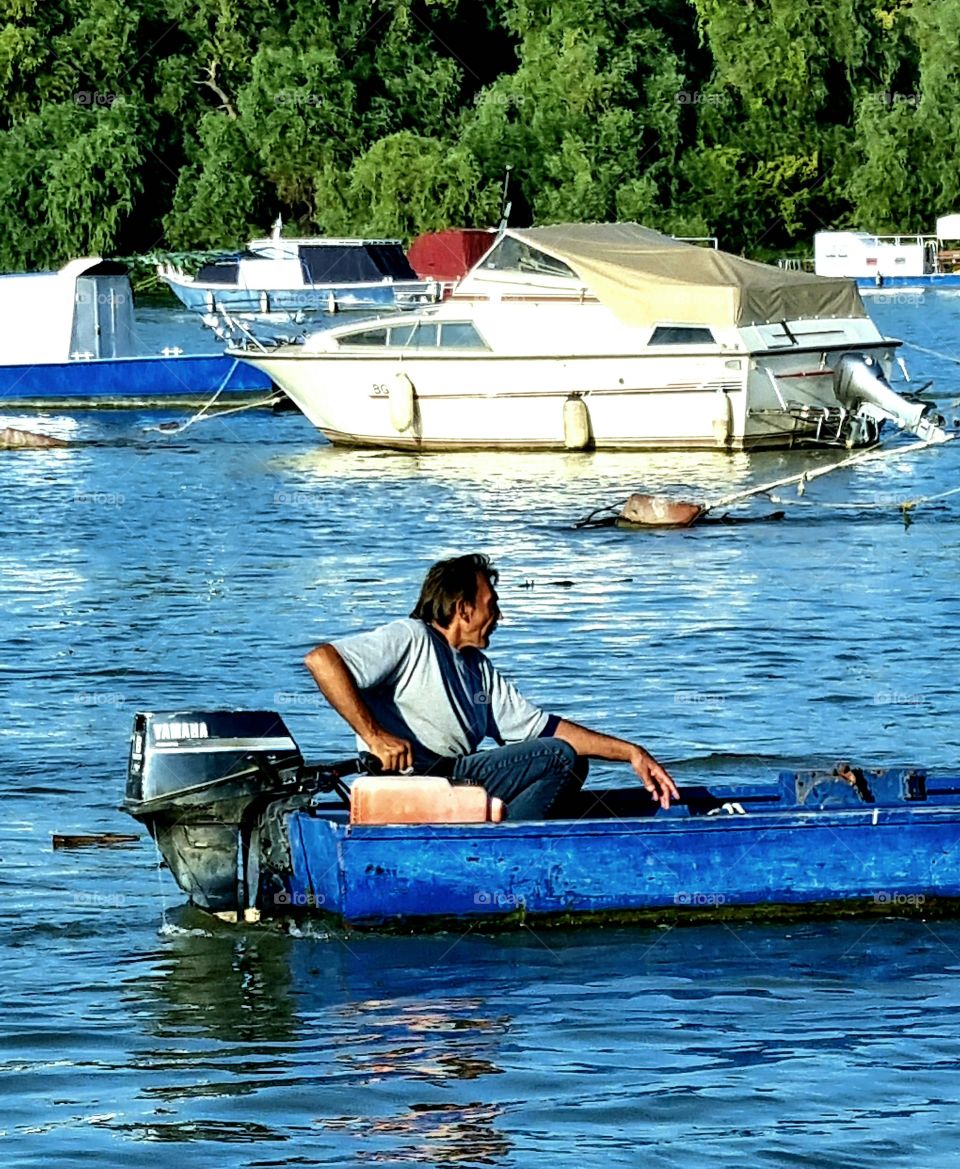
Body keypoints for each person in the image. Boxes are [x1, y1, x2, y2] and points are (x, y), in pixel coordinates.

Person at [304, 553, 678, 819]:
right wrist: (375, 736)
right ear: (463, 608)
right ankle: (511, 843)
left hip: (455, 777)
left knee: (570, 760)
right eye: (492, 605)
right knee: (559, 757)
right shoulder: (411, 637)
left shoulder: (477, 668)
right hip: (420, 780)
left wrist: (630, 752)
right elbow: (321, 660)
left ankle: (507, 830)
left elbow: (543, 728)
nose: (498, 616)